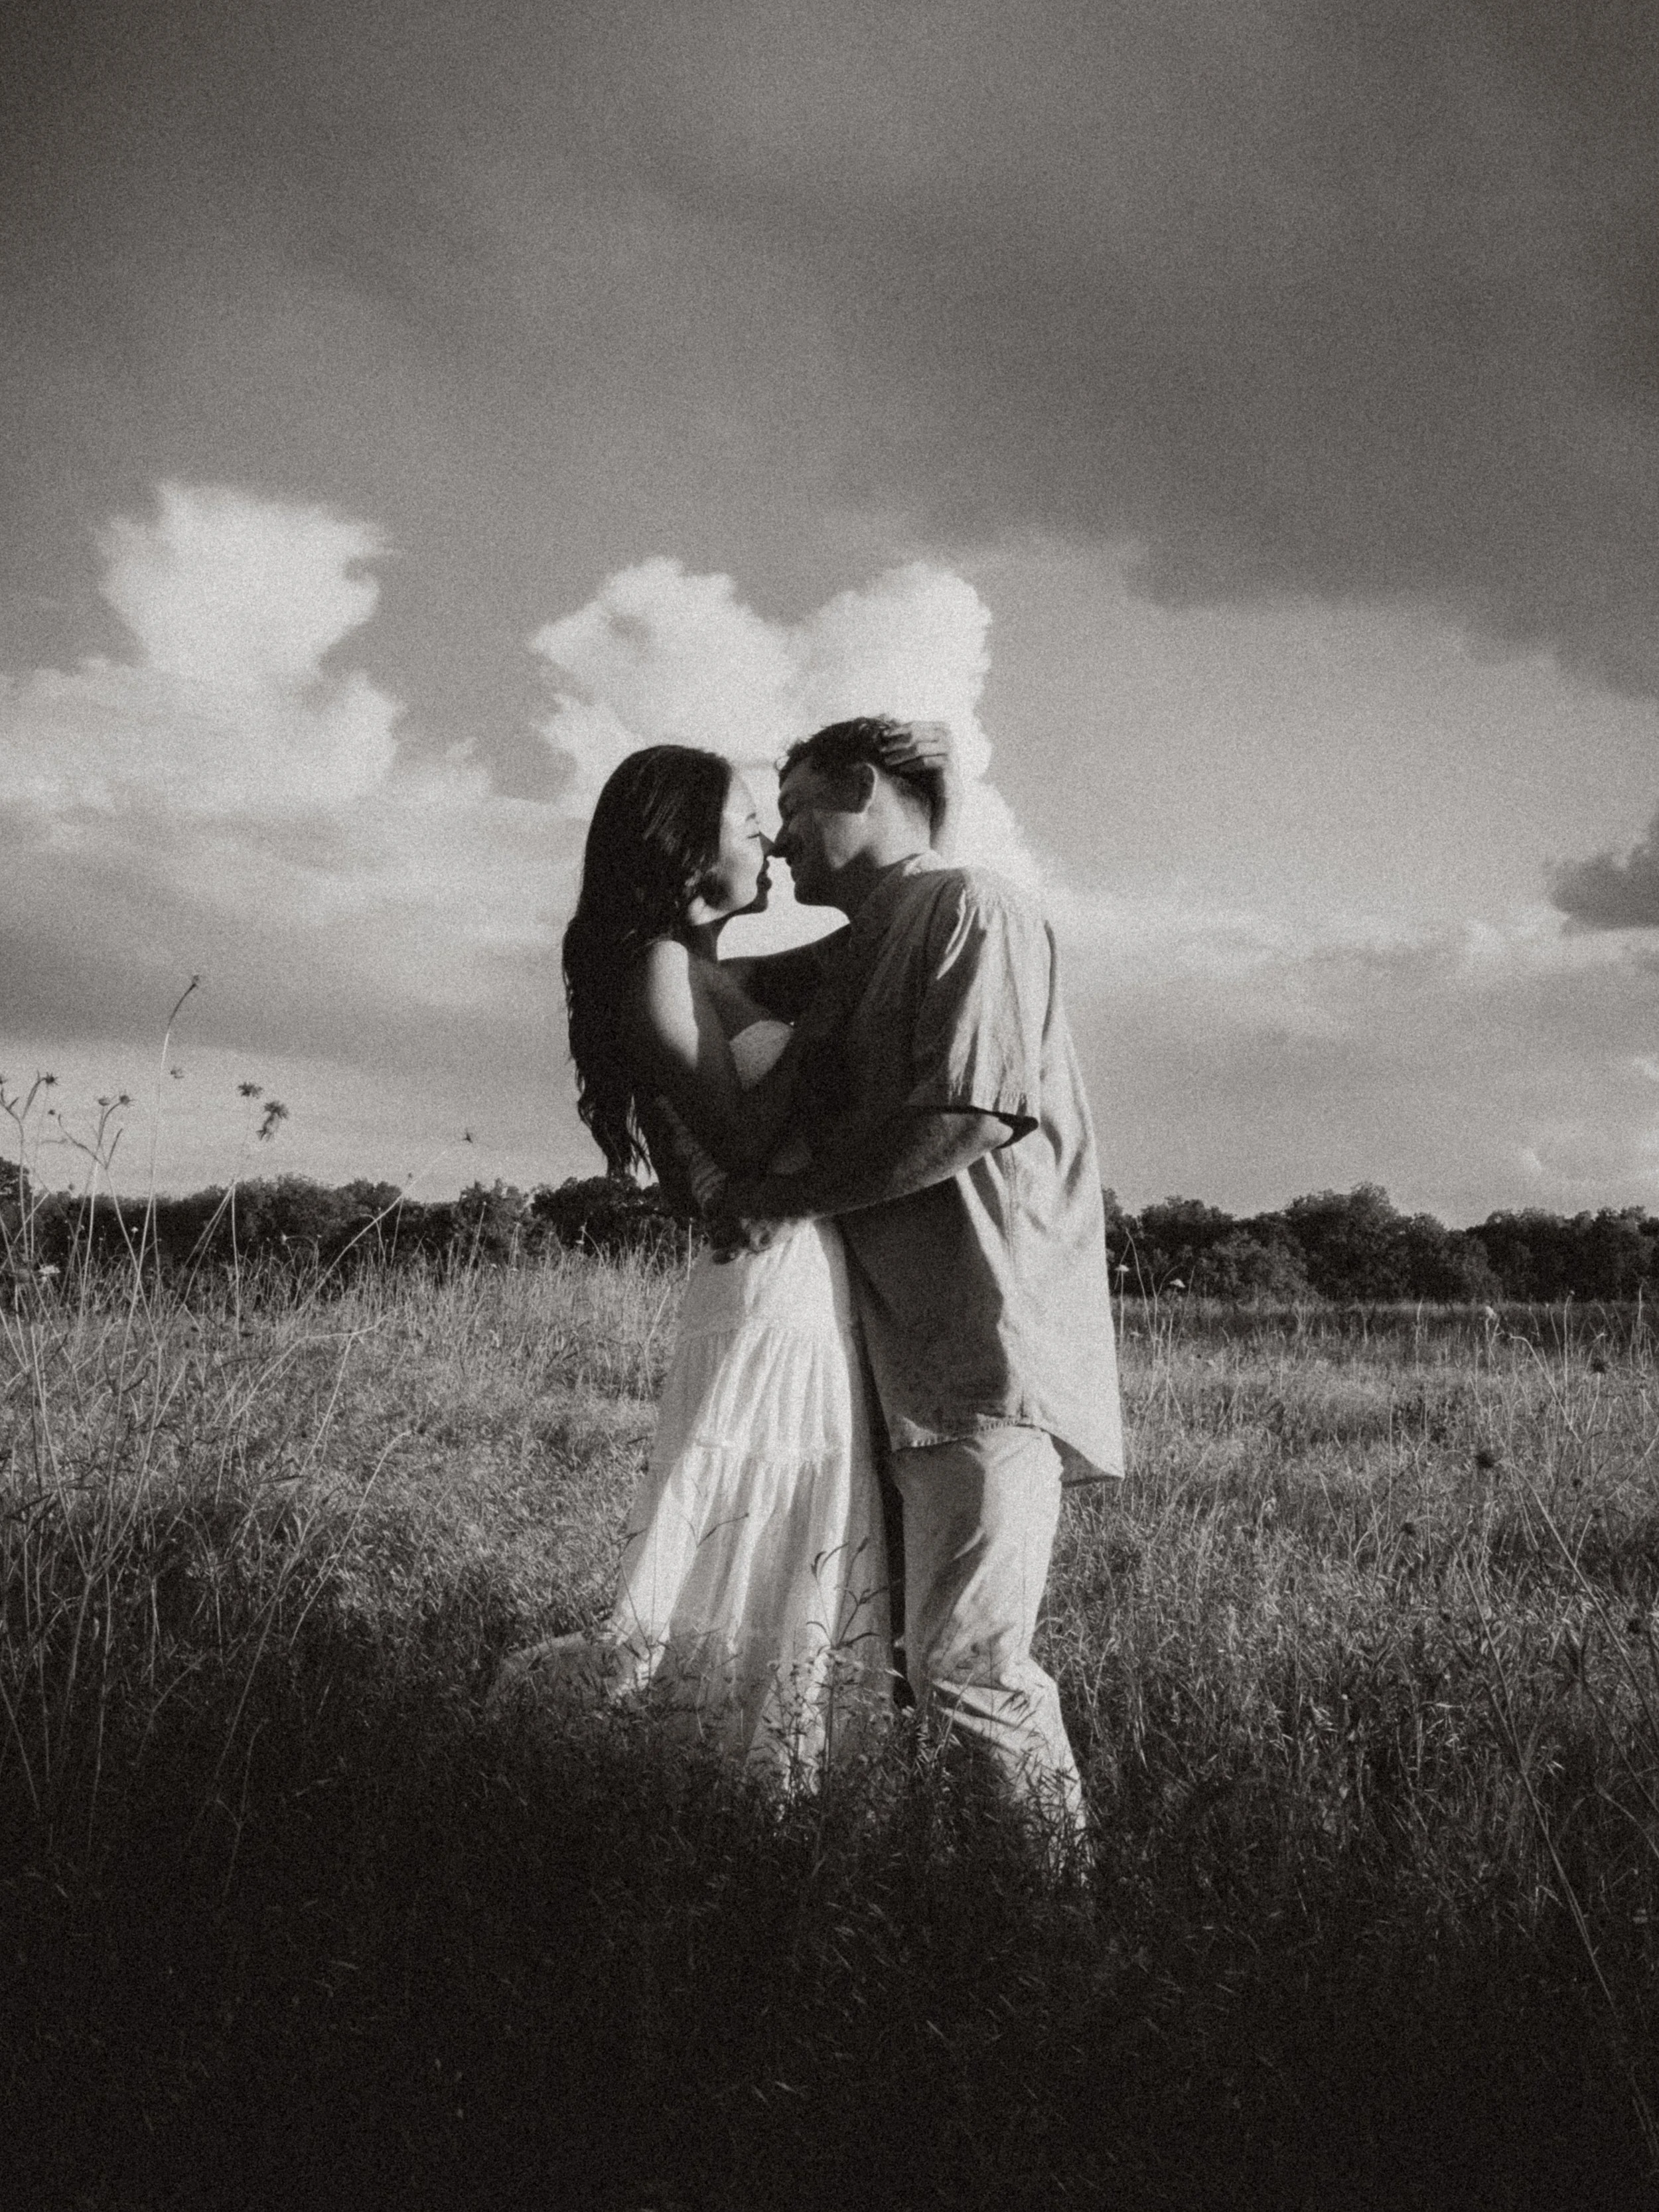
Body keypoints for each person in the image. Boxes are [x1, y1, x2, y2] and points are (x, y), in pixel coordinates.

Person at [495, 727, 955, 1790]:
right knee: (751, 1507)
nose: (776, 843)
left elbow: (869, 938)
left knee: (803, 1507)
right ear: (692, 854)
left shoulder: (721, 970)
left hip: (801, 1268)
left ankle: (768, 1772)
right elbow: (744, 1140)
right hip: (762, 1277)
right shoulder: (655, 970)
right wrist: (831, 1022)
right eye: (755, 826)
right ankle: (640, 1756)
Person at [709, 715, 1124, 1846]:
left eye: (792, 810)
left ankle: (1061, 1951)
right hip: (889, 1364)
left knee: (970, 1666)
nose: (783, 843)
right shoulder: (857, 946)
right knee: (889, 1661)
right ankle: (934, 1909)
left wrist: (778, 1200)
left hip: (983, 1351)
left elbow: (970, 1116)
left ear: (862, 788)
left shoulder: (971, 908)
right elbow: (709, 973)